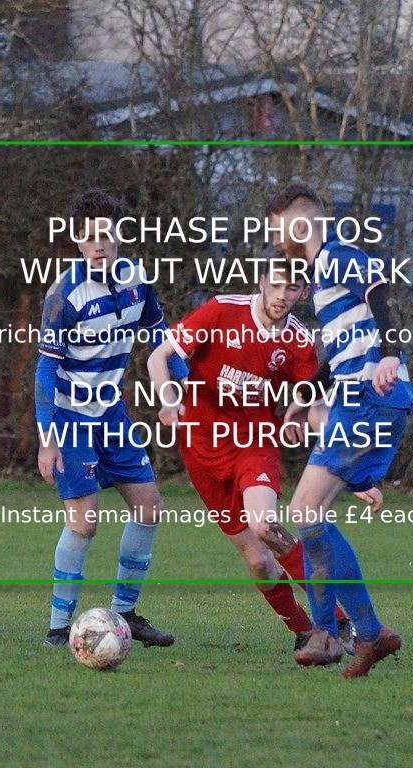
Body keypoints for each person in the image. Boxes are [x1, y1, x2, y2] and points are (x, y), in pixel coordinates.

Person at [147, 251, 368, 658]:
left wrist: (347, 463)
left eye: (293, 288)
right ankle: (305, 631)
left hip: (255, 444)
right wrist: (167, 397)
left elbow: (314, 405)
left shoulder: (297, 341)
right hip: (201, 451)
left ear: (304, 292)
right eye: (277, 284)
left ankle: (337, 619)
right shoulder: (220, 311)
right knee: (258, 562)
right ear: (262, 280)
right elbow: (159, 356)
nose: (283, 295)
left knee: (266, 525)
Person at [266, 181, 413, 677]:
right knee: (310, 517)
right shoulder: (323, 272)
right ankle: (338, 634)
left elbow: (380, 291)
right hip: (366, 398)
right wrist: (304, 397)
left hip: (370, 397)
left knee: (305, 513)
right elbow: (343, 351)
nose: (274, 239)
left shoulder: (335, 255)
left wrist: (391, 354)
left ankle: (359, 633)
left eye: (277, 227)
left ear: (300, 221)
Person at [36, 189, 188, 648]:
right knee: (84, 523)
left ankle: (125, 617)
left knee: (150, 507)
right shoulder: (64, 294)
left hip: (113, 416)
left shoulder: (138, 280)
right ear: (78, 242)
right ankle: (59, 629)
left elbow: (159, 337)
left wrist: (180, 387)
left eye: (107, 233)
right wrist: (48, 439)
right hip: (69, 418)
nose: (99, 243)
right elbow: (45, 368)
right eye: (89, 237)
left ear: (120, 234)